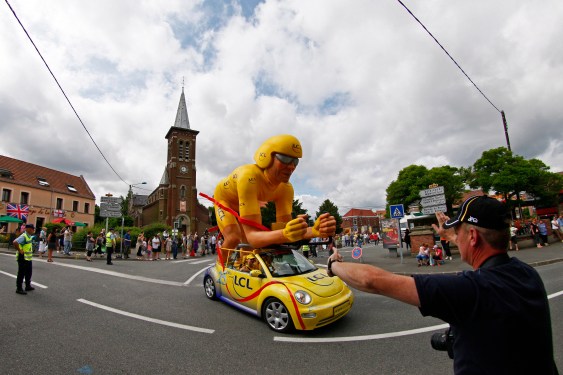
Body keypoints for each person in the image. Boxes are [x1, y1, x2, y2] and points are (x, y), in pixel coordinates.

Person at [326, 195, 557, 374]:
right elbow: (479, 244)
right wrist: (452, 237)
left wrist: (333, 266)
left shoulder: (471, 290)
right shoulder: (527, 274)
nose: (457, 235)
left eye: (460, 231)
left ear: (473, 237)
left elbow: (373, 281)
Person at [212, 134, 336, 260]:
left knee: (248, 249)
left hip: (246, 199)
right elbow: (254, 237)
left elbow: (285, 230)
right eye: (285, 159)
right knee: (233, 237)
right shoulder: (249, 177)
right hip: (225, 200)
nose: (292, 167)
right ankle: (221, 266)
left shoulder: (286, 188)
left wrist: (312, 231)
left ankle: (245, 266)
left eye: (295, 161)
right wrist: (285, 233)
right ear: (267, 156)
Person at [13, 223, 36, 295]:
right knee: (21, 273)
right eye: (32, 228)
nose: (33, 230)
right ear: (28, 229)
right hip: (22, 257)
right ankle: (19, 288)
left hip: (27, 257)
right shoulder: (24, 236)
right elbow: (15, 242)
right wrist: (20, 250)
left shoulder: (29, 236)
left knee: (28, 272)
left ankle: (27, 286)